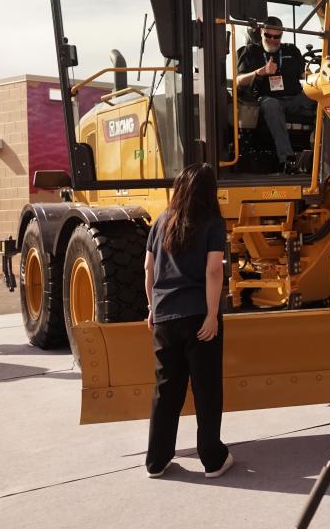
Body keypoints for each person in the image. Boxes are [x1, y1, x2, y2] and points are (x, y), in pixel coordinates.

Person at [144, 163, 234, 479]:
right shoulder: (212, 223)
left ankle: (156, 461)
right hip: (199, 316)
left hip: (165, 317)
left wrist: (152, 307)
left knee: (166, 389)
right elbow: (214, 270)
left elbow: (148, 269)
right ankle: (212, 459)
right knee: (206, 390)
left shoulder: (161, 221)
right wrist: (212, 314)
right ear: (210, 192)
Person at [236, 16, 315, 170]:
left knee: (324, 97)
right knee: (271, 104)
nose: (272, 40)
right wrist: (260, 72)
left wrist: (315, 77)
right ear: (261, 32)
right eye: (268, 35)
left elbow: (305, 75)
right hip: (269, 100)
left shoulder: (292, 50)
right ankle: (287, 160)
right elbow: (239, 81)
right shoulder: (251, 51)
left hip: (295, 99)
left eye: (276, 37)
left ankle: (321, 155)